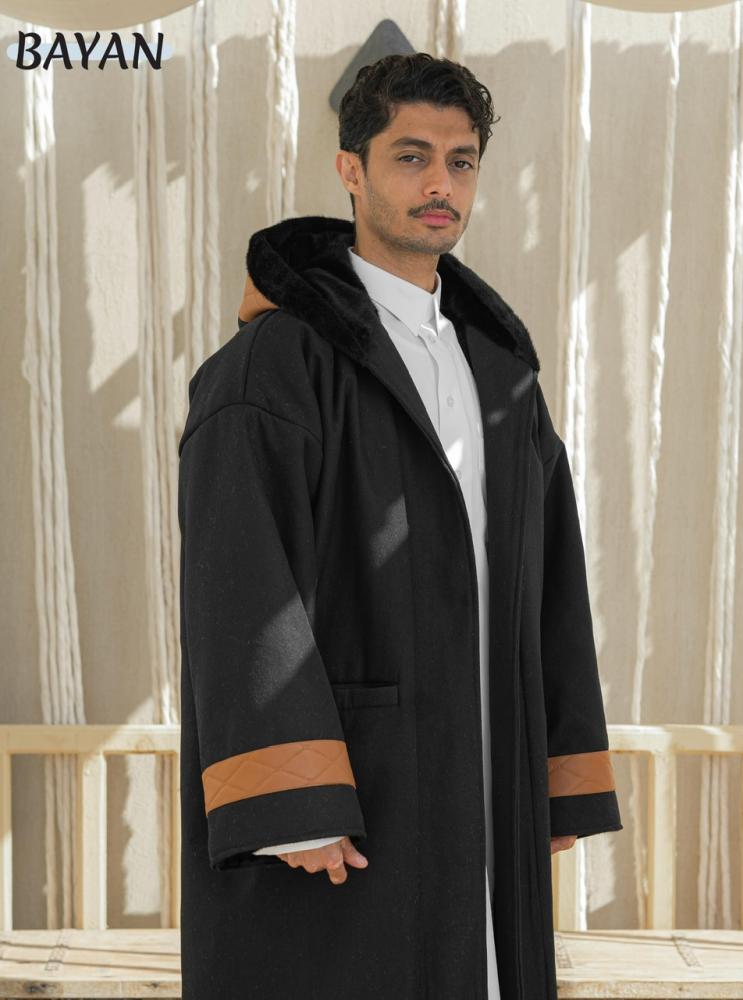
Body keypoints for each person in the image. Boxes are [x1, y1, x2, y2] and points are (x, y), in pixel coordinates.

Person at [177, 52, 622, 1000]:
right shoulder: (275, 364)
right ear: (351, 169)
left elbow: (550, 572)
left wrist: (559, 769)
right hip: (352, 787)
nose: (438, 185)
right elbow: (238, 579)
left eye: (460, 162)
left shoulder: (499, 372)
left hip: (486, 766)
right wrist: (291, 798)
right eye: (410, 156)